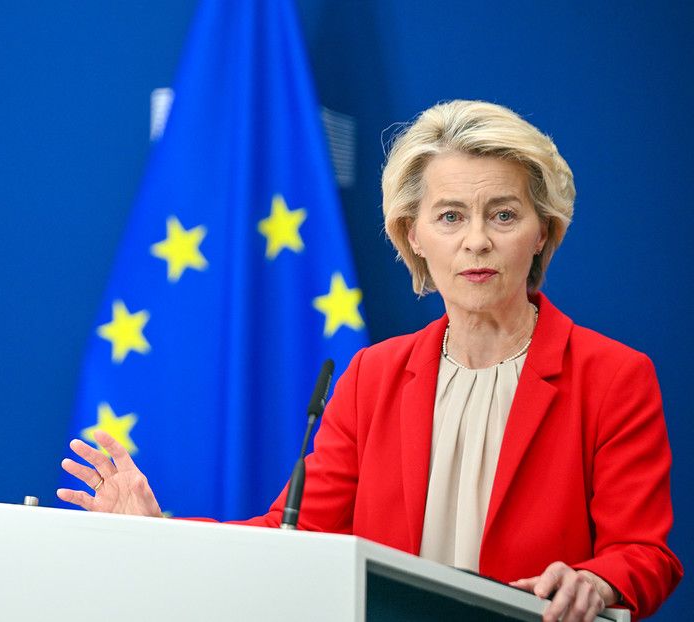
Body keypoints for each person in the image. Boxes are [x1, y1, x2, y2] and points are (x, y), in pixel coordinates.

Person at [58, 100, 682, 621]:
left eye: (503, 215)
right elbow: (296, 536)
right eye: (450, 216)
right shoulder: (372, 377)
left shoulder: (611, 376)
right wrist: (159, 530)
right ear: (414, 235)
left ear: (541, 231)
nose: (477, 241)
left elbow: (645, 553)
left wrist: (597, 582)